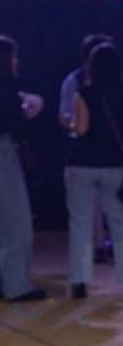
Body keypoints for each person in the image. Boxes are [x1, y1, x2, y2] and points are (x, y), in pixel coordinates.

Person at [65, 42, 123, 299]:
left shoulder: (84, 93)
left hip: (83, 162)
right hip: (114, 165)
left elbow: (82, 130)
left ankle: (79, 282)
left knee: (81, 222)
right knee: (121, 222)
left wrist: (68, 123)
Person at [0, 35, 47, 303]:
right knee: (16, 223)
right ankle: (17, 285)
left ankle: (5, 281)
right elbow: (19, 118)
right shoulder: (7, 90)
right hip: (4, 153)